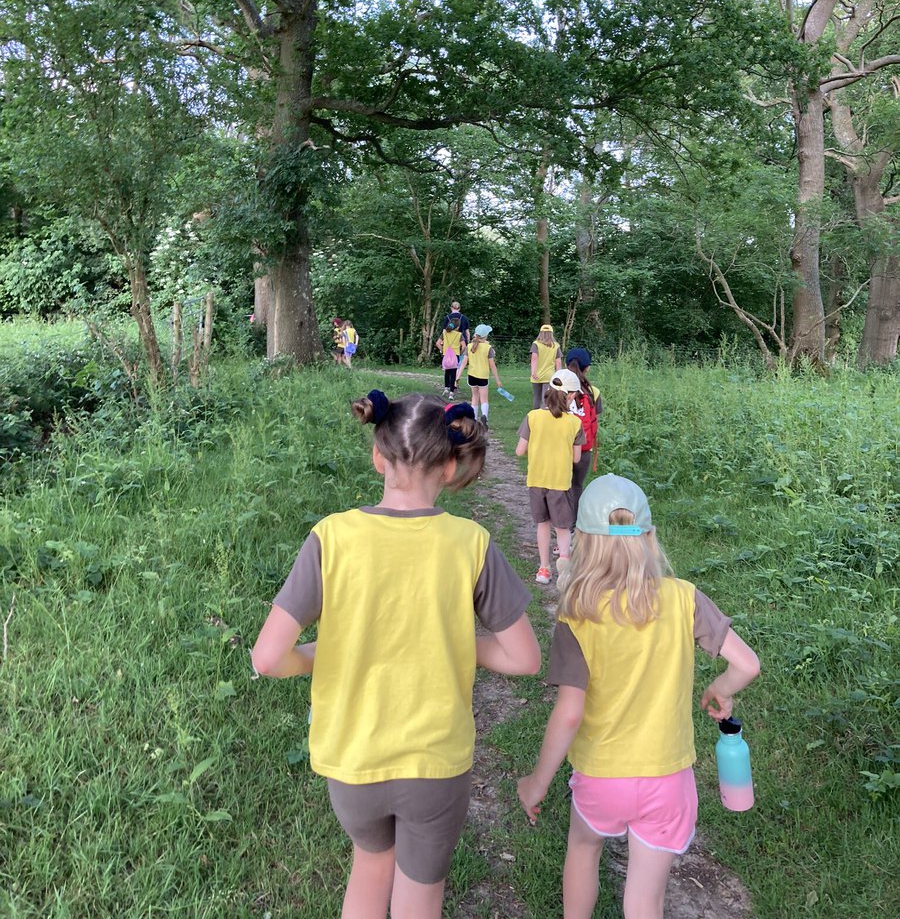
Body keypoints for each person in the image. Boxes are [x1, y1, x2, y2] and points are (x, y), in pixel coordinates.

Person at [252, 391, 540, 919]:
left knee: (369, 867)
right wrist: (455, 643)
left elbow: (268, 658)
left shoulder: (332, 537)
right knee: (418, 898)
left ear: (378, 457)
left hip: (352, 760)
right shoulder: (471, 543)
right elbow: (524, 658)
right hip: (434, 765)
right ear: (451, 465)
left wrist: (317, 655)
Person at [516, 475, 761, 919]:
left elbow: (569, 714)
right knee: (645, 899)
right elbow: (747, 664)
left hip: (600, 777)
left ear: (585, 542)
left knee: (584, 849)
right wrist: (718, 689)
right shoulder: (683, 598)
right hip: (668, 780)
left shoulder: (577, 616)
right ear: (648, 536)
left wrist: (537, 783)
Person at [515, 368, 584, 584]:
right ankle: (564, 566)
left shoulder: (533, 417)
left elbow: (519, 451)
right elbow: (576, 459)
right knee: (562, 527)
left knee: (542, 524)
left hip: (536, 480)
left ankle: (543, 569)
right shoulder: (575, 423)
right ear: (570, 395)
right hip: (560, 482)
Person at [565, 348, 602, 518]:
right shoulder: (593, 391)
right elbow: (596, 419)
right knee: (577, 485)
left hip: (560, 446)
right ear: (587, 368)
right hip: (584, 446)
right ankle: (574, 523)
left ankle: (559, 521)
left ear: (566, 365)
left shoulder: (559, 387)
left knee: (559, 484)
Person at [455, 323, 503, 427]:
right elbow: (492, 366)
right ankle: (485, 417)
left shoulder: (469, 346)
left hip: (472, 376)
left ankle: (473, 419)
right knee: (484, 399)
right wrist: (497, 380)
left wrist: (458, 376)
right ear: (485, 336)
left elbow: (463, 363)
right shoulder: (488, 348)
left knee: (474, 397)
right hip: (483, 376)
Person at [530, 323, 562, 410]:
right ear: (551, 334)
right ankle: (545, 415)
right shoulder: (556, 346)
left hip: (536, 375)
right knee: (546, 398)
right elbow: (558, 362)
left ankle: (535, 416)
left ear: (540, 333)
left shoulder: (536, 344)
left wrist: (533, 372)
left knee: (536, 397)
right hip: (549, 376)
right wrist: (558, 375)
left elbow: (534, 358)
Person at [436, 315, 464, 399]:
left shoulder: (444, 333)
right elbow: (464, 346)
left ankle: (446, 388)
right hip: (455, 355)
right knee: (453, 374)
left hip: (446, 355)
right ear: (458, 326)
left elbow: (438, 343)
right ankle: (451, 393)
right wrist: (460, 353)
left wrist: (442, 350)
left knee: (447, 372)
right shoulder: (459, 335)